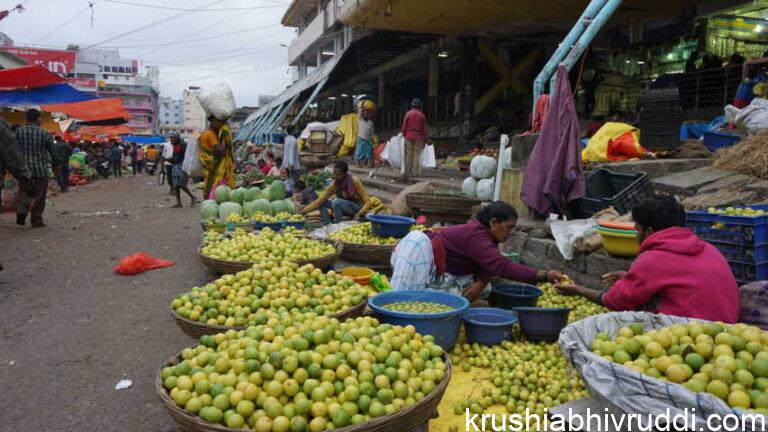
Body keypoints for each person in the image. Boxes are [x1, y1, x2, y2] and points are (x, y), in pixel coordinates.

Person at [555, 196, 740, 323]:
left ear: (649, 232)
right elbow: (676, 278)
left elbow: (615, 301)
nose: (636, 235)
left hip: (693, 337)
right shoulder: (709, 249)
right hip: (727, 332)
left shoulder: (653, 260)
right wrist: (631, 276)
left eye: (637, 229)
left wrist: (578, 289)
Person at [391, 201, 562, 301]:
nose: (510, 233)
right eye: (508, 227)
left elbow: (487, 263)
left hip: (447, 270)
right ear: (494, 223)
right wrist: (543, 275)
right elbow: (501, 266)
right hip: (420, 253)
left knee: (485, 288)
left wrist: (480, 282)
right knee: (407, 299)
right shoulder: (476, 236)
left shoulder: (488, 237)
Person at [15, 109, 56, 228]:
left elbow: (12, 150)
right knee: (39, 195)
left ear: (26, 119)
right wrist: (57, 163)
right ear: (38, 119)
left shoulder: (18, 132)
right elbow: (53, 153)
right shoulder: (44, 133)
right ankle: (36, 220)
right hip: (40, 170)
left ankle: (21, 212)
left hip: (23, 169)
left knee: (24, 191)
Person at [300, 160, 373, 224]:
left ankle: (337, 224)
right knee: (322, 202)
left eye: (338, 175)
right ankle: (328, 224)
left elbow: (368, 201)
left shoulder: (354, 181)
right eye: (334, 173)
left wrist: (360, 213)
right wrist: (304, 211)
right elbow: (318, 201)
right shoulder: (334, 185)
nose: (335, 176)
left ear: (345, 174)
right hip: (342, 206)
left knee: (336, 201)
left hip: (356, 207)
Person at [199, 115, 235, 200]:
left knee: (211, 186)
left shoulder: (209, 133)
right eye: (219, 122)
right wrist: (225, 136)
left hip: (211, 168)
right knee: (216, 189)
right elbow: (220, 151)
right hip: (215, 167)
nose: (221, 124)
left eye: (222, 122)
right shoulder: (210, 134)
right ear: (212, 121)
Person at [400, 98, 428, 179]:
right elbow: (424, 128)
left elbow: (404, 125)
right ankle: (414, 173)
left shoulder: (408, 114)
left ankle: (407, 172)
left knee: (408, 155)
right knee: (416, 155)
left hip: (408, 136)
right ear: (419, 106)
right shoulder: (422, 115)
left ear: (412, 105)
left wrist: (403, 133)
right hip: (418, 137)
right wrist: (425, 138)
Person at [169, 134, 197, 208]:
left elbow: (187, 156)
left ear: (177, 138)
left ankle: (193, 197)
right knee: (176, 186)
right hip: (176, 167)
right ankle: (179, 203)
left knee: (181, 184)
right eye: (171, 139)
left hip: (182, 167)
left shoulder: (183, 145)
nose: (171, 140)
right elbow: (174, 159)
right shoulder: (175, 147)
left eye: (172, 139)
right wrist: (167, 159)